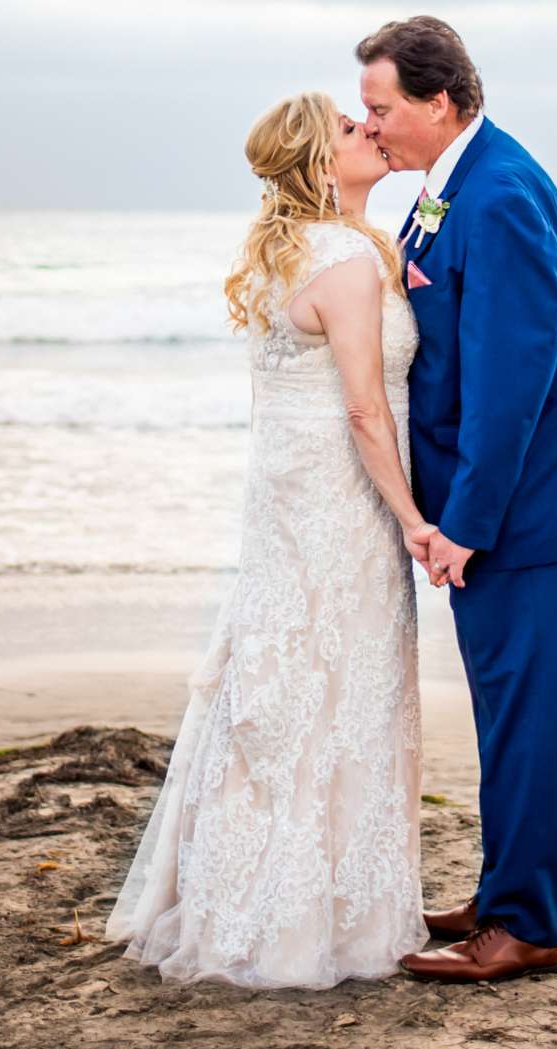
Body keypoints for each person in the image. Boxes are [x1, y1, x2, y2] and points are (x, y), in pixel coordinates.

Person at [103, 90, 436, 989]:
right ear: (319, 164)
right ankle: (312, 913)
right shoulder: (344, 262)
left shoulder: (296, 254)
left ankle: (255, 892)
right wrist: (414, 520)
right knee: (339, 684)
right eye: (349, 126)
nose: (368, 127)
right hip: (340, 495)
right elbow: (366, 409)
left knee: (290, 681)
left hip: (289, 496)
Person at [356, 15, 557, 984]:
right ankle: (502, 891)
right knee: (501, 709)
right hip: (497, 510)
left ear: (440, 103)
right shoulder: (456, 187)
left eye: (383, 108)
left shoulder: (504, 195)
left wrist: (466, 527)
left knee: (523, 715)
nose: (374, 125)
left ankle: (527, 925)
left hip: (525, 514)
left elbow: (510, 385)